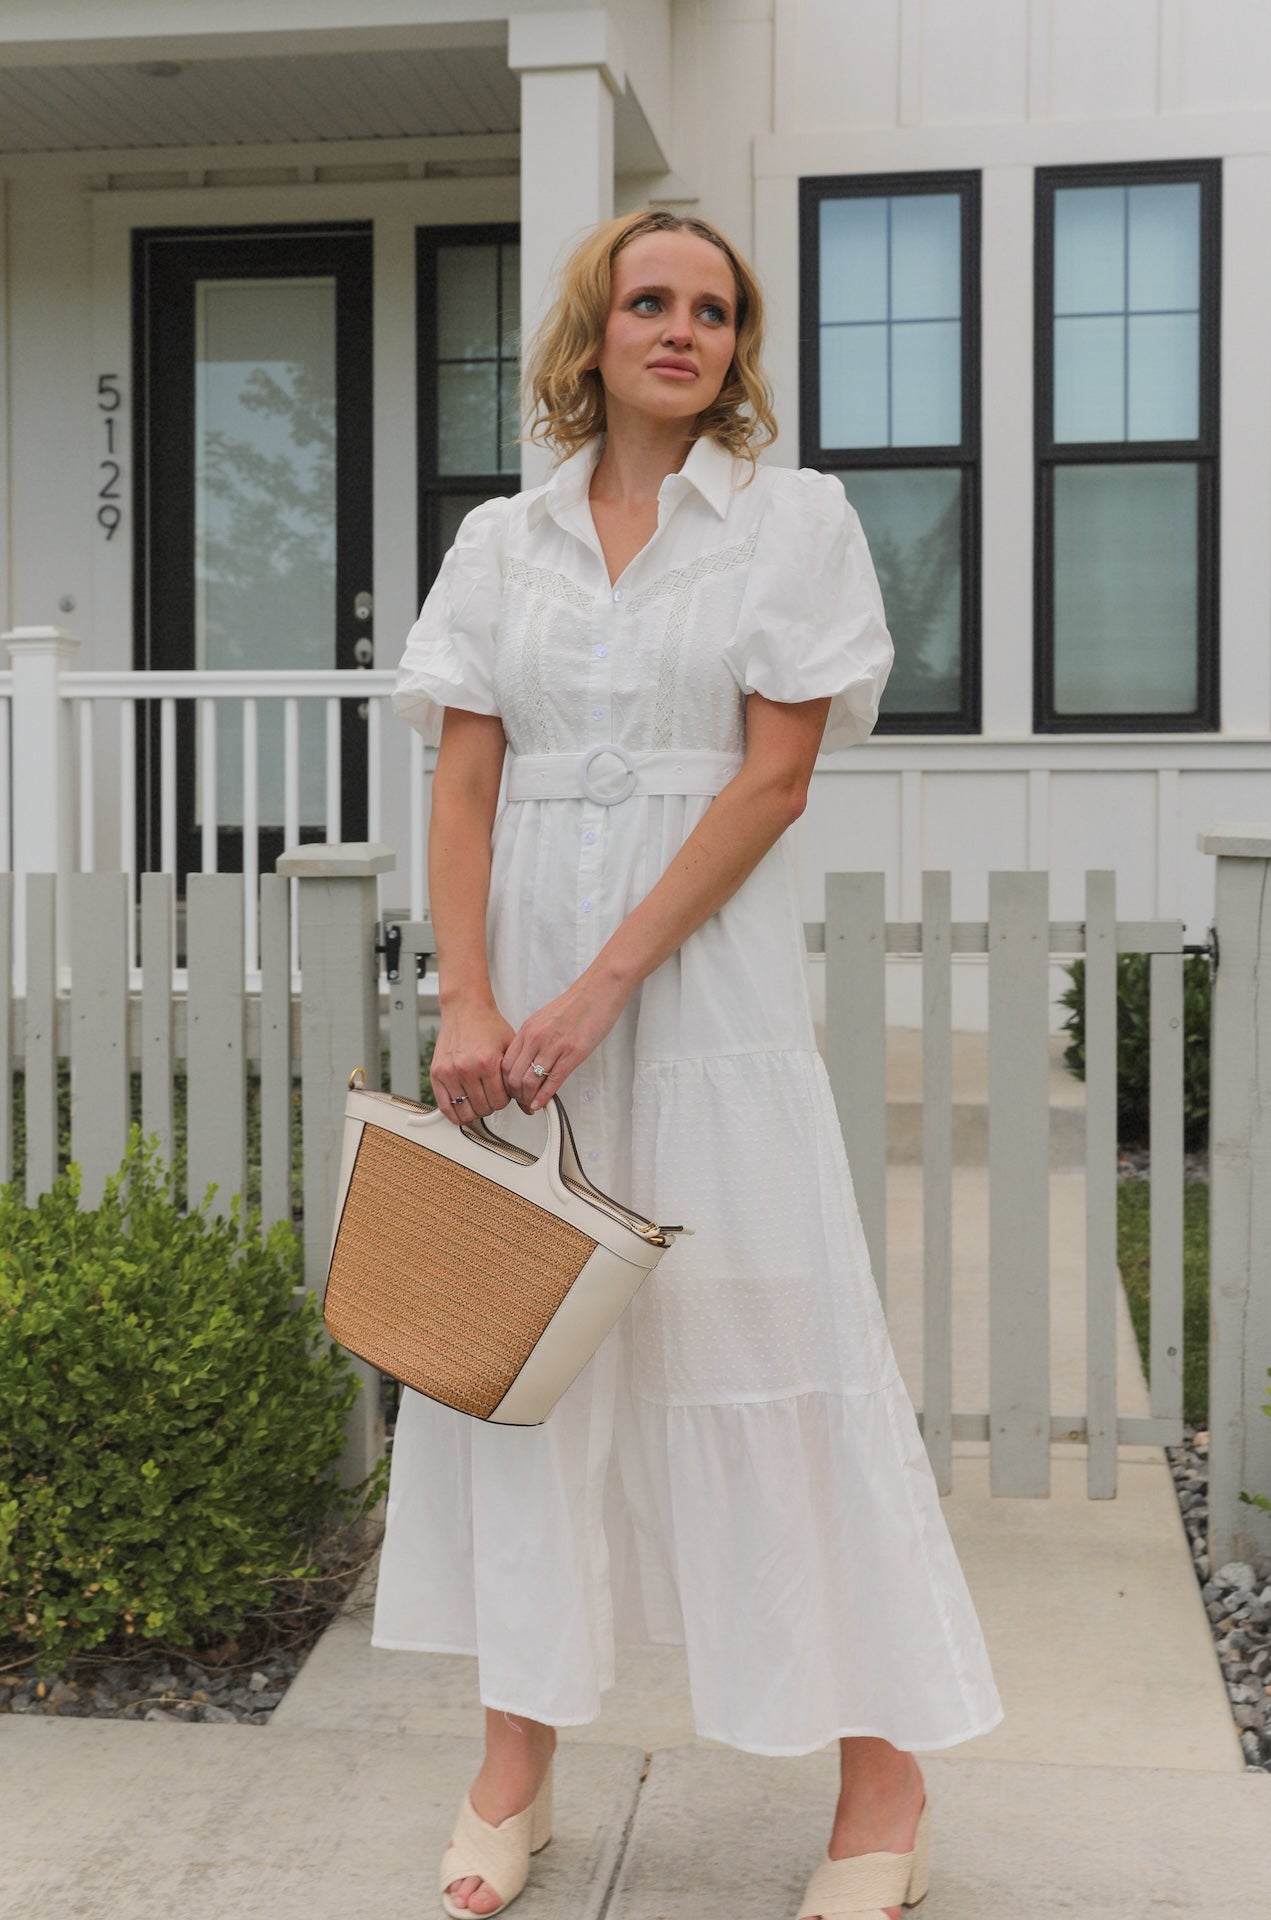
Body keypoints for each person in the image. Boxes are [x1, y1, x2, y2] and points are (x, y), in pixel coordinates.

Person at [376, 206, 1005, 1920]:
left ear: (738, 348)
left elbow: (772, 782)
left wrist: (605, 985)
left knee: (771, 1345)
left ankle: (884, 1779)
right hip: (521, 993)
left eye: (713, 311)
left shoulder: (793, 522)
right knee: (520, 1352)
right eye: (648, 301)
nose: (682, 329)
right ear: (592, 332)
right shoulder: (498, 542)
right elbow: (463, 782)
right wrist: (470, 998)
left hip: (705, 988)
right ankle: (513, 1769)